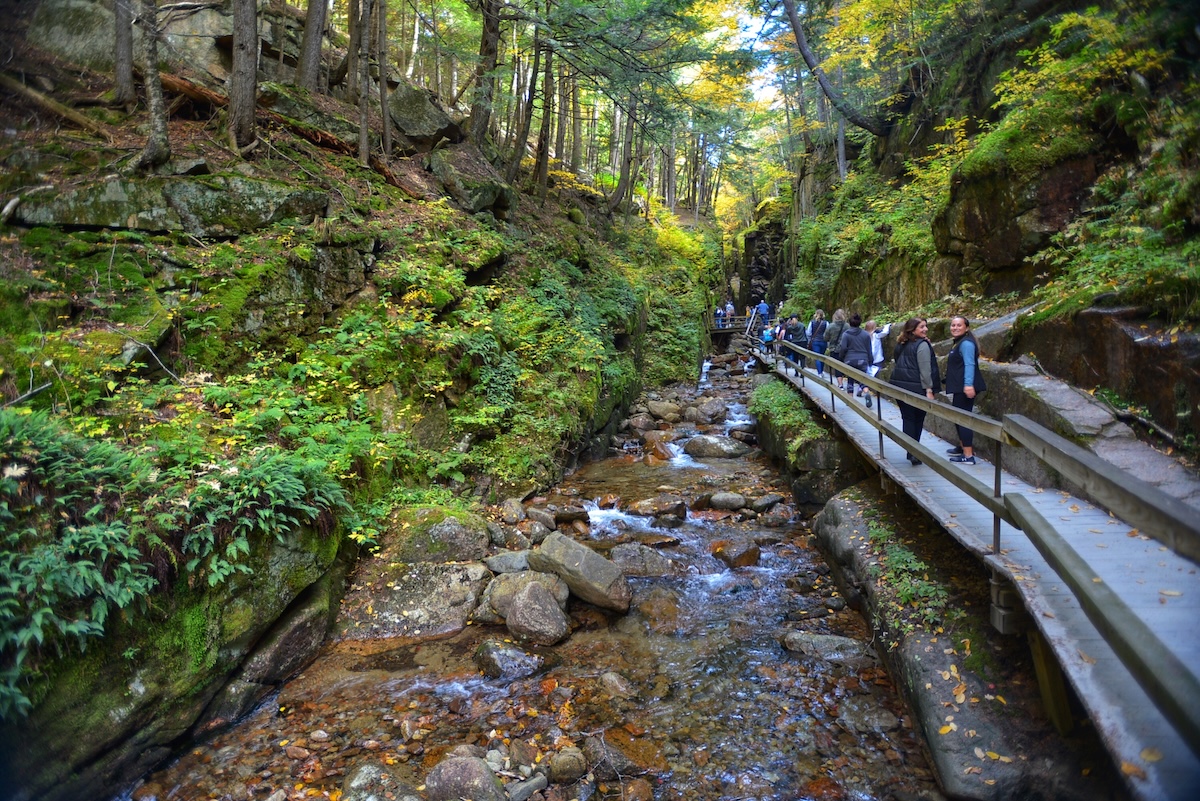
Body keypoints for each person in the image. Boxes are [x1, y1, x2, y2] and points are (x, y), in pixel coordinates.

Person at [889, 317, 941, 465]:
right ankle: (914, 452)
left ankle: (911, 450)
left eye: (925, 326)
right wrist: (929, 390)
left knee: (908, 418)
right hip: (917, 388)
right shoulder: (922, 345)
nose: (925, 329)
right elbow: (925, 369)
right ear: (913, 330)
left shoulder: (902, 343)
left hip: (899, 386)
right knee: (917, 419)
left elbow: (898, 360)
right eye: (921, 327)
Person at [945, 315, 987, 465]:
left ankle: (968, 456)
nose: (955, 328)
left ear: (966, 328)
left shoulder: (966, 344)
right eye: (953, 325)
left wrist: (968, 385)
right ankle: (963, 447)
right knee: (958, 417)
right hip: (959, 386)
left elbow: (970, 365)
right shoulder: (959, 342)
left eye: (959, 325)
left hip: (965, 387)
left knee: (963, 419)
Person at [839, 314, 872, 396]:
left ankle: (850, 400)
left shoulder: (846, 334)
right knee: (862, 379)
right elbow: (869, 349)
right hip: (863, 359)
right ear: (860, 323)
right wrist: (870, 360)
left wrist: (842, 357)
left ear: (849, 323)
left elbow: (843, 348)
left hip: (849, 359)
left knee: (850, 379)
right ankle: (866, 391)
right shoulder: (866, 334)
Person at [862, 319, 892, 409]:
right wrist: (887, 325)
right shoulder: (876, 335)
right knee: (877, 375)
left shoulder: (864, 336)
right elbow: (885, 332)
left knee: (867, 374)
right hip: (878, 359)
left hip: (868, 359)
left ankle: (863, 388)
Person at [824, 309, 848, 388]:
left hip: (834, 350)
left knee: (837, 367)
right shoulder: (847, 326)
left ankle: (840, 384)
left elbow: (825, 338)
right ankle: (850, 384)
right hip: (845, 349)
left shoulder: (831, 326)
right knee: (845, 366)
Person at [808, 309, 828, 376]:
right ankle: (821, 371)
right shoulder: (826, 323)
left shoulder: (812, 322)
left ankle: (819, 373)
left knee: (817, 357)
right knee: (822, 356)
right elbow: (827, 333)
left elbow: (809, 333)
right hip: (823, 341)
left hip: (815, 342)